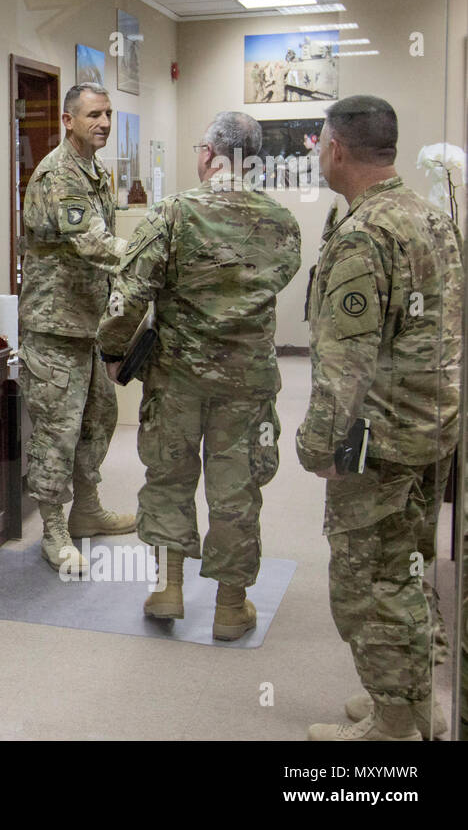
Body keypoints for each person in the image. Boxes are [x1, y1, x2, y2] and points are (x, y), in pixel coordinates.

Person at [96, 113, 301, 638]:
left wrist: (114, 351)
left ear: (210, 154)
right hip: (248, 384)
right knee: (237, 488)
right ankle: (231, 609)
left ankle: (169, 589)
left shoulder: (172, 213)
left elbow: (128, 295)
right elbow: (278, 277)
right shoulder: (280, 221)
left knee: (169, 476)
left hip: (176, 380)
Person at [296, 95, 462, 740]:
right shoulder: (433, 218)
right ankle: (415, 702)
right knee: (410, 567)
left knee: (368, 580)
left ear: (336, 148)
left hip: (379, 442)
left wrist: (318, 448)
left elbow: (346, 364)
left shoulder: (365, 233)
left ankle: (396, 726)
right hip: (434, 427)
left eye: (320, 145)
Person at [18, 83, 134, 574]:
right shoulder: (59, 174)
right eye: (93, 115)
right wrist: (150, 257)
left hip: (87, 325)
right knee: (56, 432)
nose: (103, 123)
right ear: (68, 120)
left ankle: (87, 509)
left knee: (97, 421)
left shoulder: (95, 171)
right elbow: (93, 242)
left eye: (108, 114)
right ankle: (54, 529)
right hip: (54, 326)